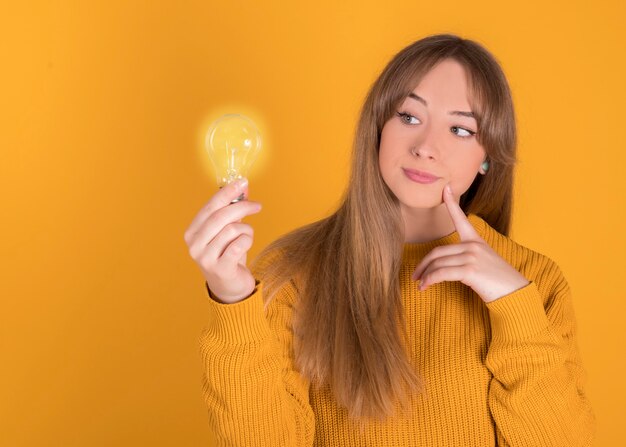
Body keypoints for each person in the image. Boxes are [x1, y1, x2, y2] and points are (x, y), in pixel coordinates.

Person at [184, 33, 596, 446]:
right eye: (409, 117)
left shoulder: (535, 281)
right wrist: (232, 299)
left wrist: (513, 304)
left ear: (489, 155)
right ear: (378, 127)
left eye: (460, 128)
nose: (426, 148)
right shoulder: (293, 274)